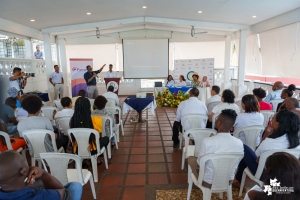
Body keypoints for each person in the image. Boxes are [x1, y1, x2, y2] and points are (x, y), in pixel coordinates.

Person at [233, 110, 300, 190]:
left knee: (244, 148)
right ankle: (239, 179)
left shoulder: (270, 141)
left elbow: (256, 156)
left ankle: (238, 180)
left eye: (273, 119)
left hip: (265, 175)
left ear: (278, 124)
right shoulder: (297, 143)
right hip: (286, 176)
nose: (271, 120)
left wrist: (265, 136)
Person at [187, 109, 243, 188]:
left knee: (190, 159)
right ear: (231, 127)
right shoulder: (239, 143)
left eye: (216, 119)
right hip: (228, 181)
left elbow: (200, 162)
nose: (215, 120)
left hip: (208, 182)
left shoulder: (207, 141)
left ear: (219, 123)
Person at [0, 150, 83, 200]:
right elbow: (61, 190)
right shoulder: (42, 196)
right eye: (24, 161)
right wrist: (43, 173)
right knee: (76, 186)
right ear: (23, 171)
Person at [70, 97, 109, 164]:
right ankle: (94, 159)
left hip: (77, 149)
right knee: (106, 139)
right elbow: (98, 134)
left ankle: (85, 160)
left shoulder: (72, 121)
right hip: (92, 149)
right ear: (89, 106)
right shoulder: (95, 119)